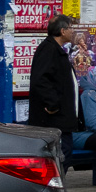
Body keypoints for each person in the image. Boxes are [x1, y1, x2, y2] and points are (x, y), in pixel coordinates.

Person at [28, 14, 83, 167]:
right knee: (61, 153)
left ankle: (54, 187)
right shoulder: (48, 49)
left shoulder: (55, 49)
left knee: (62, 153)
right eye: (70, 28)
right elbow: (41, 80)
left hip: (61, 117)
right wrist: (53, 104)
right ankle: (52, 188)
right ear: (62, 31)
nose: (73, 31)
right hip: (53, 118)